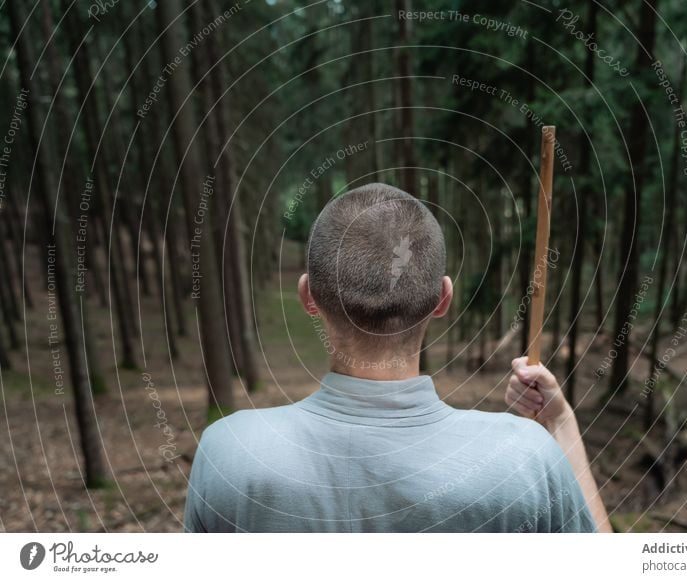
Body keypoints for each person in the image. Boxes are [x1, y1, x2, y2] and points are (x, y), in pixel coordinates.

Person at [184, 183, 611, 532]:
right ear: (443, 298)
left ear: (308, 296)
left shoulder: (231, 451)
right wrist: (559, 423)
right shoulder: (524, 458)